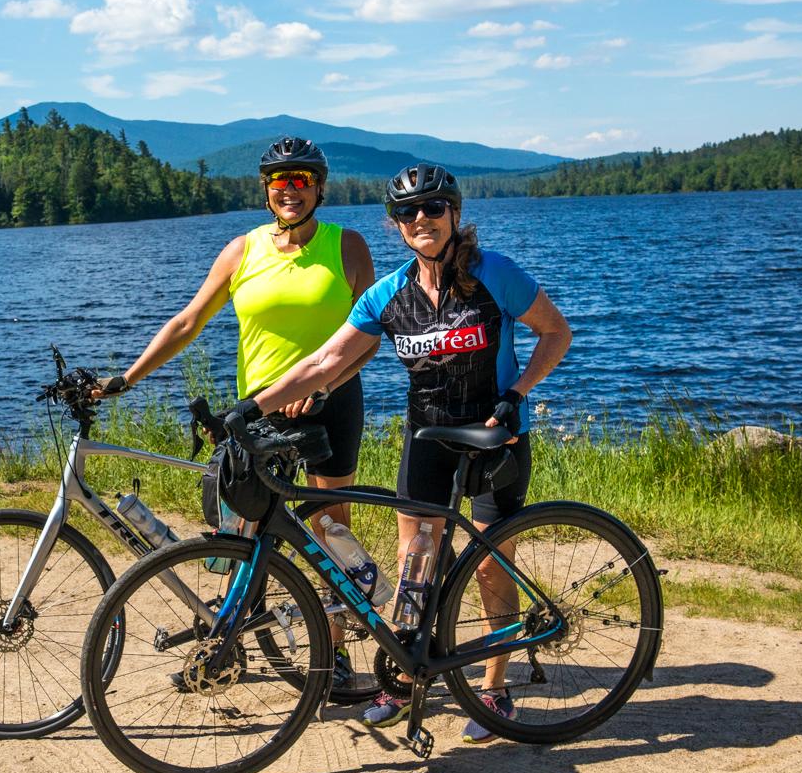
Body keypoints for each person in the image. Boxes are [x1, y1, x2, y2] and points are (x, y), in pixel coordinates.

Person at [227, 162, 572, 742]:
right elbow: (321, 365)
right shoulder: (389, 294)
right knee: (415, 559)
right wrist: (252, 408)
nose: (421, 219)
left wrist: (518, 394)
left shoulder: (497, 274)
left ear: (454, 215)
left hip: (494, 436)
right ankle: (407, 680)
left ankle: (494, 689)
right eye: (408, 212)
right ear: (395, 225)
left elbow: (555, 332)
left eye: (433, 208)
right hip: (427, 439)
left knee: (489, 564)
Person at [93, 137, 377, 688]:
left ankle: (334, 653)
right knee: (242, 528)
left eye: (301, 180)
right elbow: (187, 322)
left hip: (331, 404)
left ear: (319, 187)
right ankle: (225, 645)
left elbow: (369, 337)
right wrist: (125, 378)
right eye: (279, 181)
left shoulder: (348, 247)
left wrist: (326, 386)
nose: (290, 190)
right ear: (266, 189)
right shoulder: (243, 250)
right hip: (261, 411)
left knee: (330, 529)